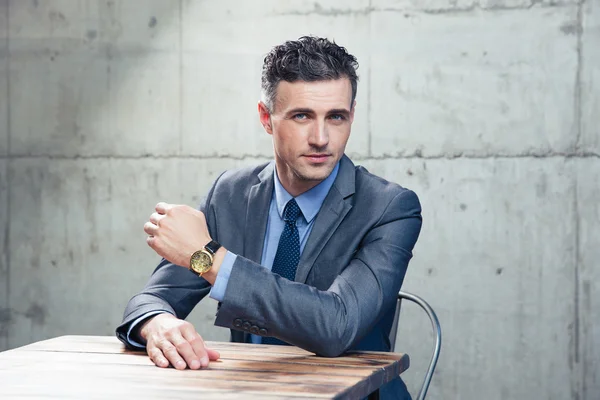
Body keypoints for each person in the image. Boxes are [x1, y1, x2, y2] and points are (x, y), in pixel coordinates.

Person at [116, 36, 422, 400]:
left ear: (351, 116)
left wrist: (210, 259)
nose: (322, 138)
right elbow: (152, 298)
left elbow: (336, 326)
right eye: (302, 116)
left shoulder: (390, 208)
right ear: (266, 118)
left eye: (336, 117)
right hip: (254, 391)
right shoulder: (229, 194)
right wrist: (158, 324)